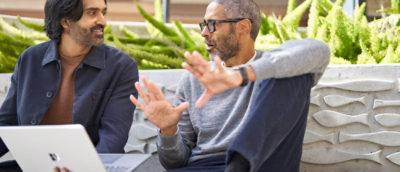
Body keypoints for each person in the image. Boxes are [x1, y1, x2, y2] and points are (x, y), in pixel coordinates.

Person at [130, 0, 330, 172]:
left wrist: (241, 75)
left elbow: (319, 50)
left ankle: (241, 161)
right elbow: (174, 163)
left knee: (291, 74)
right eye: (204, 25)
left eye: (212, 24)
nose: (204, 33)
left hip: (261, 163)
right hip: (205, 166)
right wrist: (168, 130)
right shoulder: (194, 79)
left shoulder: (269, 67)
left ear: (243, 27)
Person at [0, 0, 138, 170]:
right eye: (92, 13)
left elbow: (113, 136)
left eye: (104, 12)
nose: (102, 21)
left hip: (92, 167)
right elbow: (7, 122)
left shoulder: (121, 67)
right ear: (66, 21)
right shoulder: (30, 59)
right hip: (33, 166)